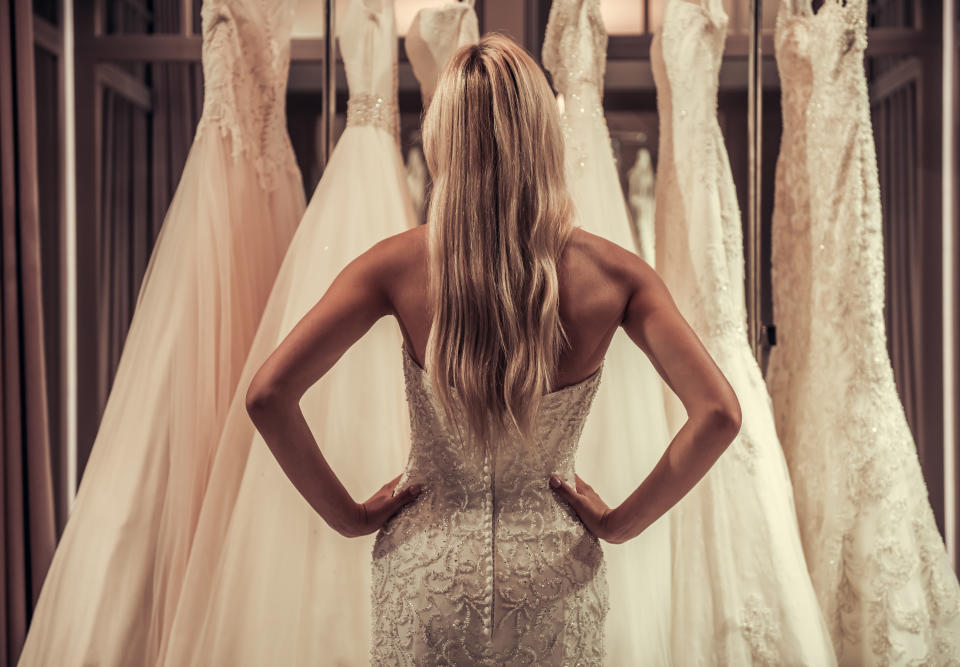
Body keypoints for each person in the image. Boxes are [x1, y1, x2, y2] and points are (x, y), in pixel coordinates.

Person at [244, 34, 741, 663]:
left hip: (426, 576)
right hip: (552, 578)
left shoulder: (395, 265)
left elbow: (268, 394)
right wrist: (620, 523)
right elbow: (719, 413)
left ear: (445, 135)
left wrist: (348, 516)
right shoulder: (616, 276)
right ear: (543, 134)